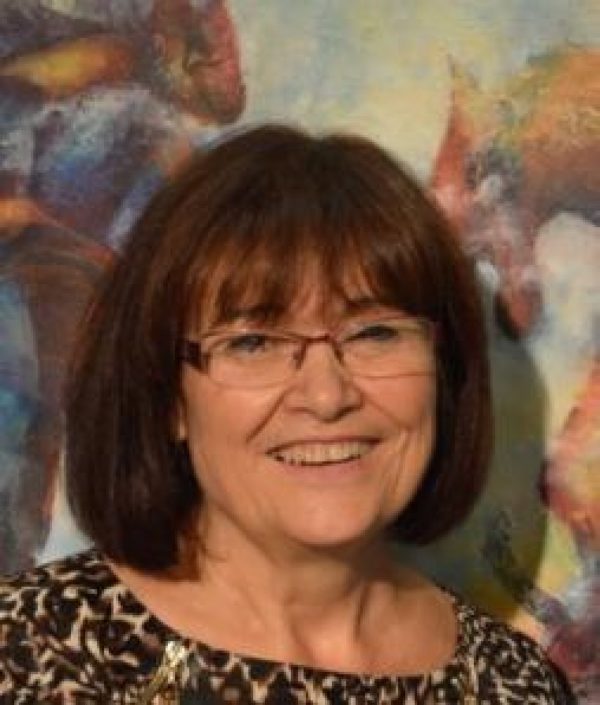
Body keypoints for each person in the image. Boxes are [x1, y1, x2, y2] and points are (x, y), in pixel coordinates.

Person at [0, 124, 574, 703]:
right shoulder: (28, 653)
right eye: (254, 343)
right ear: (168, 396)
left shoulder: (517, 685)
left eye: (375, 333)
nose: (326, 397)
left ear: (442, 373)